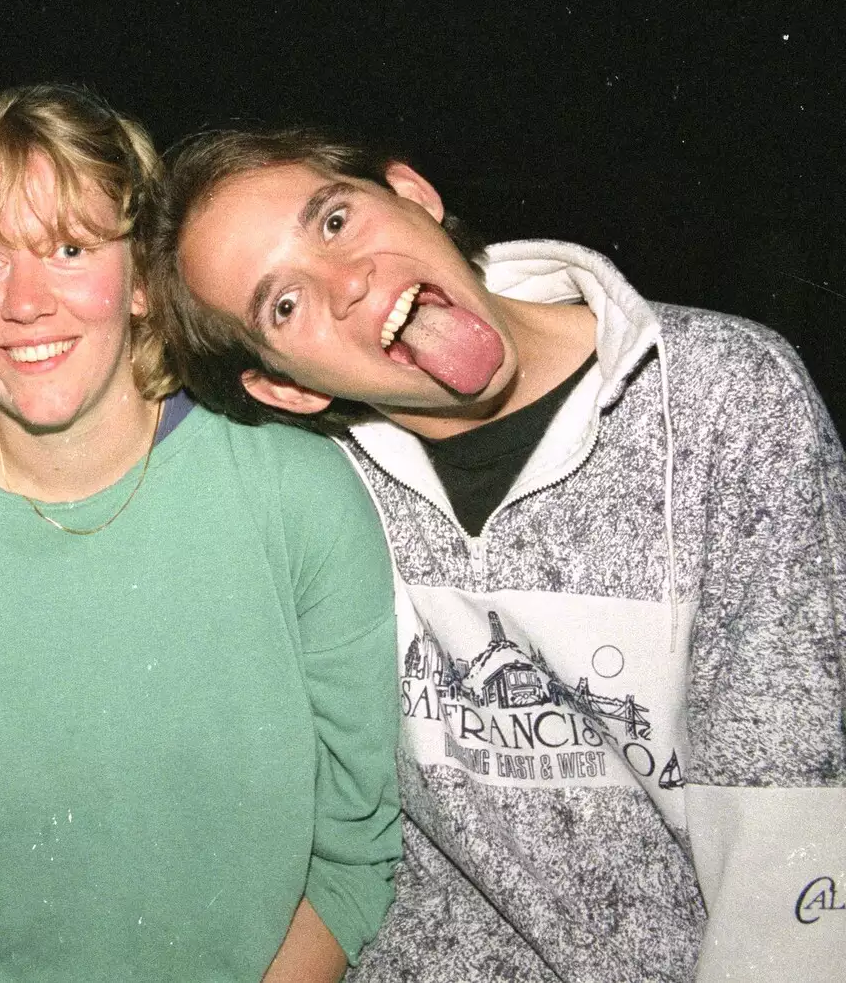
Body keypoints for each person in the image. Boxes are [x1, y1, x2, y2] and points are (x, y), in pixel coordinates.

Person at [147, 125, 846, 982]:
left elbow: (791, 835)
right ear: (289, 385)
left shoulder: (723, 401)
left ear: (412, 193)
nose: (348, 281)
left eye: (332, 222)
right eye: (282, 305)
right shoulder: (313, 487)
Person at [0, 84, 401, 983]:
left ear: (143, 279)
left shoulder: (291, 495)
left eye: (69, 249)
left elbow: (355, 847)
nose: (27, 301)